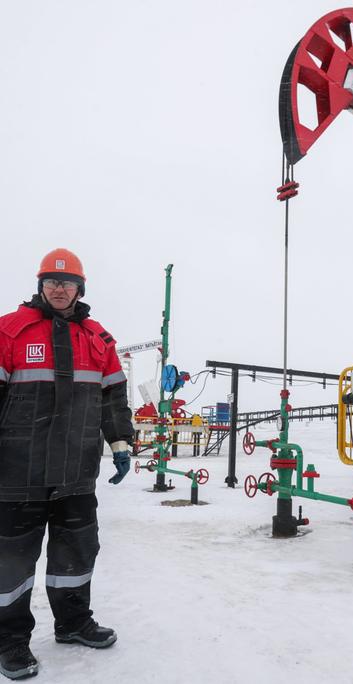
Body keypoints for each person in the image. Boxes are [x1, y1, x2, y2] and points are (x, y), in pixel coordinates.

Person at [0, 249, 134, 680]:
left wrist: (119, 443)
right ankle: (9, 641)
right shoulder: (10, 331)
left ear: (80, 288)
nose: (59, 289)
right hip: (16, 474)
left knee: (76, 552)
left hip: (77, 473)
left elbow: (113, 398)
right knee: (11, 563)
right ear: (41, 286)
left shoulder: (99, 339)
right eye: (52, 282)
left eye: (68, 282)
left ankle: (74, 624)